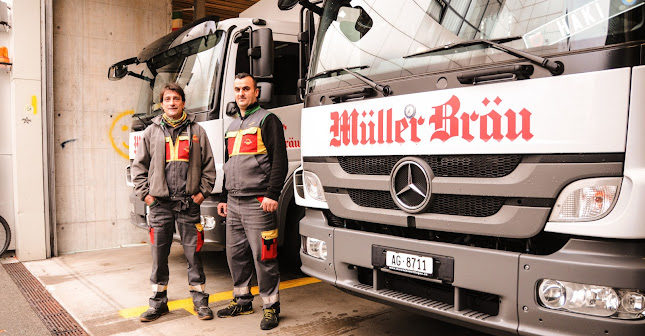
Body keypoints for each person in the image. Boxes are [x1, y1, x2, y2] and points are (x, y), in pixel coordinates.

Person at [132, 83, 216, 322]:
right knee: (159, 257)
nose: (172, 103)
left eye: (176, 99)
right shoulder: (151, 132)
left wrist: (202, 194)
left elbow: (209, 166)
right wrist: (146, 195)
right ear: (162, 104)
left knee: (194, 255)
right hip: (160, 206)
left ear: (183, 102)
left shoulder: (197, 131)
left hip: (189, 205)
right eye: (167, 99)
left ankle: (200, 302)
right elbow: (139, 167)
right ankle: (158, 303)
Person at [216, 73, 288, 330]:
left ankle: (271, 306)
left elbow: (280, 161)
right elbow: (229, 166)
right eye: (237, 89)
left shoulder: (268, 120)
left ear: (256, 92)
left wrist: (272, 194)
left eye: (246, 89)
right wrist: (225, 197)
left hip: (258, 202)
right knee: (235, 255)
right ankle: (243, 300)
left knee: (264, 257)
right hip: (234, 202)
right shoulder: (232, 126)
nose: (241, 93)